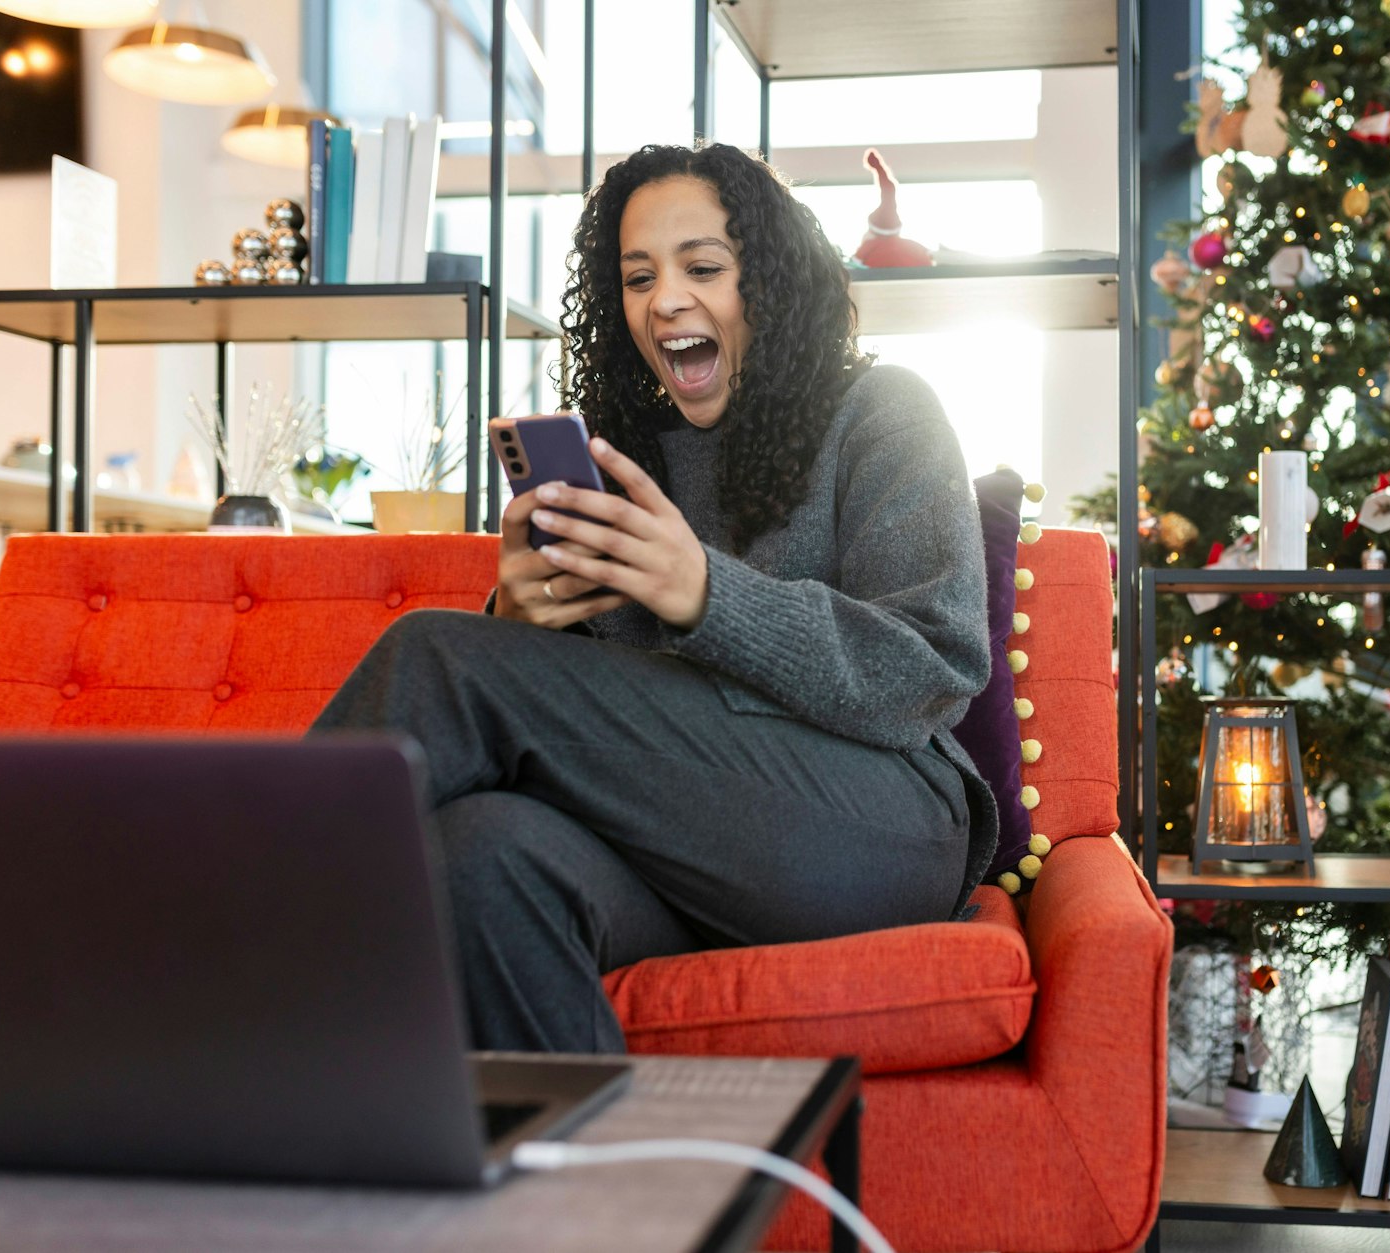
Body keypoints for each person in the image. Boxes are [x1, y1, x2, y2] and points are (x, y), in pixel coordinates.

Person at [312, 143, 995, 1055]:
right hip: (681, 847)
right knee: (480, 854)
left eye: (701, 267)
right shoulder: (630, 455)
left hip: (882, 827)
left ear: (771, 281)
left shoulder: (884, 409)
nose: (665, 299)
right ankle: (575, 1153)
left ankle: (215, 958)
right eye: (639, 278)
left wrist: (706, 593)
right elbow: (601, 726)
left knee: (435, 654)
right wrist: (522, 616)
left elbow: (931, 671)